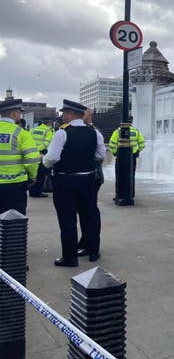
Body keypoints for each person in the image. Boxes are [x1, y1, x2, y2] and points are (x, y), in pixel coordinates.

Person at [43, 100, 105, 267]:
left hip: (65, 181)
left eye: (64, 113)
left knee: (67, 219)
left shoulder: (62, 133)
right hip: (88, 180)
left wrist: (44, 163)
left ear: (70, 114)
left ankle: (70, 258)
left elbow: (52, 157)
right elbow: (100, 155)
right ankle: (93, 251)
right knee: (90, 215)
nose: (62, 116)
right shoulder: (95, 133)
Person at [0, 99, 40, 215]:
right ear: (14, 113)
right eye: (19, 112)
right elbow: (32, 160)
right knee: (14, 223)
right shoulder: (22, 133)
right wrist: (33, 176)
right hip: (15, 186)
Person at [77, 108, 104, 258]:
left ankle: (92, 246)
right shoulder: (85, 130)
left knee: (90, 212)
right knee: (84, 211)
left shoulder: (93, 131)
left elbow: (100, 156)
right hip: (88, 176)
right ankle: (86, 241)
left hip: (93, 177)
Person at [109, 116, 144, 203]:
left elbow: (112, 144)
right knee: (131, 176)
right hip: (132, 157)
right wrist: (137, 152)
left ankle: (119, 194)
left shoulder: (118, 131)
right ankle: (130, 194)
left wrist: (115, 153)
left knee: (119, 176)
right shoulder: (136, 131)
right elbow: (142, 144)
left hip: (121, 157)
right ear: (131, 121)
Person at [29, 120, 54, 198]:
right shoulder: (48, 131)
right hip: (41, 153)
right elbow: (47, 143)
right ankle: (38, 192)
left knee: (33, 172)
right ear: (48, 123)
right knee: (40, 173)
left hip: (31, 153)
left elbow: (28, 140)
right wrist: (38, 150)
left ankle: (31, 191)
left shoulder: (33, 129)